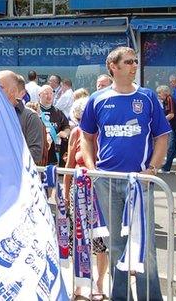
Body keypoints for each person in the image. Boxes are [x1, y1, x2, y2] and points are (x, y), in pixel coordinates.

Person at [79, 46, 169, 301]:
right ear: (114, 67)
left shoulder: (148, 97)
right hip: (107, 181)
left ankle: (149, 298)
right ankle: (120, 297)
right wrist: (91, 167)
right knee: (116, 245)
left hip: (139, 182)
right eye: (129, 62)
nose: (134, 65)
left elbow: (162, 136)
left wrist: (152, 168)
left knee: (146, 246)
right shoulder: (97, 99)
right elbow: (86, 136)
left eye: (135, 61)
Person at [64, 96, 109, 301]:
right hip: (79, 191)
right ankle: (80, 284)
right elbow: (70, 164)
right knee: (79, 238)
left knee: (100, 241)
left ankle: (99, 282)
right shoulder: (76, 133)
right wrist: (64, 193)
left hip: (100, 191)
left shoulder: (105, 131)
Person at [0, 70, 45, 165]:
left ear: (13, 90)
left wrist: (1, 160)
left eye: (0, 87)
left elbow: (35, 154)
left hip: (16, 177)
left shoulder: (30, 117)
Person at [38, 84, 70, 166]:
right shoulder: (34, 109)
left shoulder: (58, 112)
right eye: (46, 93)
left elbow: (66, 127)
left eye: (51, 93)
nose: (49, 96)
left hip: (54, 155)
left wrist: (65, 133)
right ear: (39, 95)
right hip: (39, 152)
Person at [158, 84, 176, 173]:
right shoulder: (164, 101)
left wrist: (161, 121)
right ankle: (166, 168)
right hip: (173, 125)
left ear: (165, 93)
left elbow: (171, 115)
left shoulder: (169, 99)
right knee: (171, 147)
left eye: (159, 93)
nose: (158, 95)